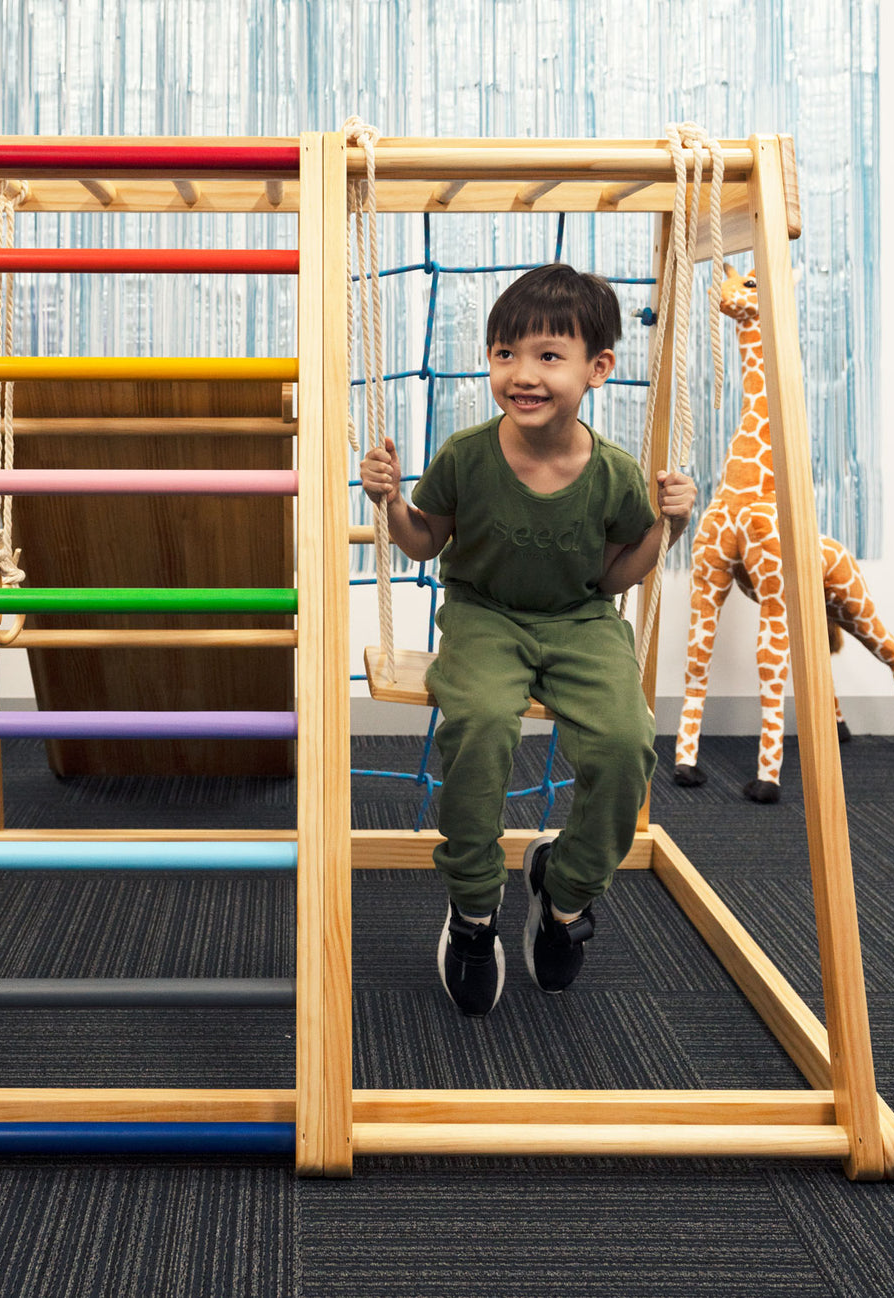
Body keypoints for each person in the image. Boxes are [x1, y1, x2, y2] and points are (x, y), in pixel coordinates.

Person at [359, 263, 696, 1016]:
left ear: (597, 369)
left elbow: (616, 577)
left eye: (549, 355)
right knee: (479, 725)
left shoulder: (614, 474)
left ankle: (565, 893)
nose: (523, 374)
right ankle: (474, 909)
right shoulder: (466, 454)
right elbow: (423, 543)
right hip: (484, 616)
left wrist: (668, 528)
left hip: (581, 622)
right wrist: (391, 502)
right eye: (505, 353)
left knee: (625, 742)